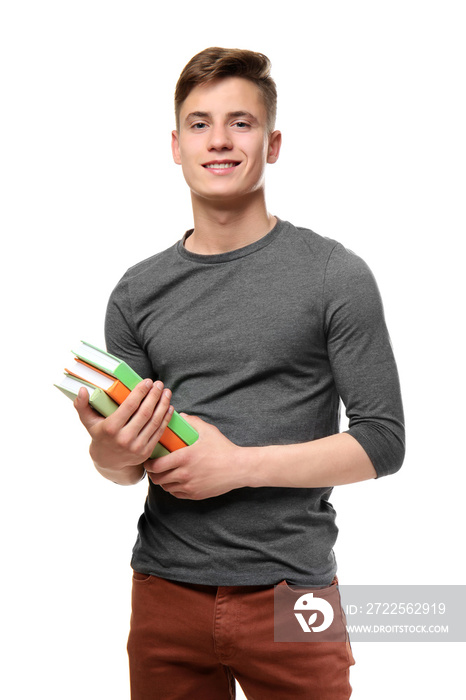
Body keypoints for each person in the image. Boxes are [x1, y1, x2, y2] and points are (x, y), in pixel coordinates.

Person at [74, 47, 405, 700]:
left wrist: (239, 465)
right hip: (164, 593)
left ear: (273, 143)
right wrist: (107, 450)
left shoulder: (335, 275)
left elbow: (382, 442)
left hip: (294, 598)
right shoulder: (137, 292)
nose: (219, 140)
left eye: (240, 123)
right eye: (199, 124)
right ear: (175, 144)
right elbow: (126, 467)